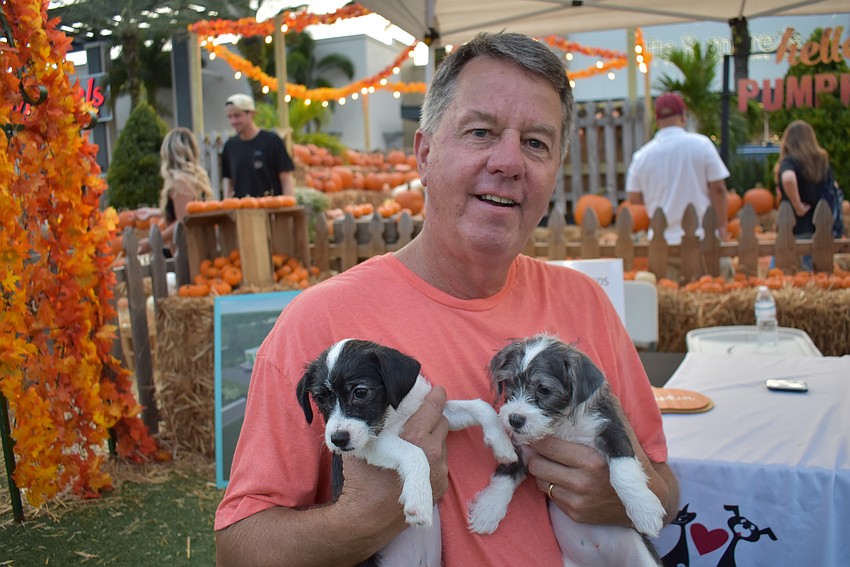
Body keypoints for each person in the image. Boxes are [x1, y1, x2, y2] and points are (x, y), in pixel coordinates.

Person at [215, 32, 679, 566]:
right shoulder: (320, 325)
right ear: (425, 154)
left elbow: (664, 491)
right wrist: (356, 520)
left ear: (554, 173)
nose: (509, 161)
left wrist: (619, 495)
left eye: (536, 143)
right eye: (480, 132)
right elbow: (237, 549)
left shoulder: (585, 304)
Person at [626, 92, 730, 276]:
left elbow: (633, 198)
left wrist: (657, 195)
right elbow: (719, 189)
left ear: (657, 121)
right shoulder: (702, 145)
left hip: (661, 244)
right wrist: (722, 226)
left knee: (667, 300)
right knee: (712, 291)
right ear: (683, 117)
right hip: (703, 240)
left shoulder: (642, 156)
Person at [137, 127, 213, 255]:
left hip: (188, 251)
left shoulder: (180, 181)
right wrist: (154, 212)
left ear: (168, 153)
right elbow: (190, 210)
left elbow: (183, 221)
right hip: (201, 244)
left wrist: (152, 242)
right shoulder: (195, 177)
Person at [221, 93, 295, 199]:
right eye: (230, 117)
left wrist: (288, 206)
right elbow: (228, 181)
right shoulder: (230, 146)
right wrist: (227, 206)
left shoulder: (272, 141)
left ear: (251, 114)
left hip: (271, 208)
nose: (233, 121)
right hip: (242, 210)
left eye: (237, 116)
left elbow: (286, 178)